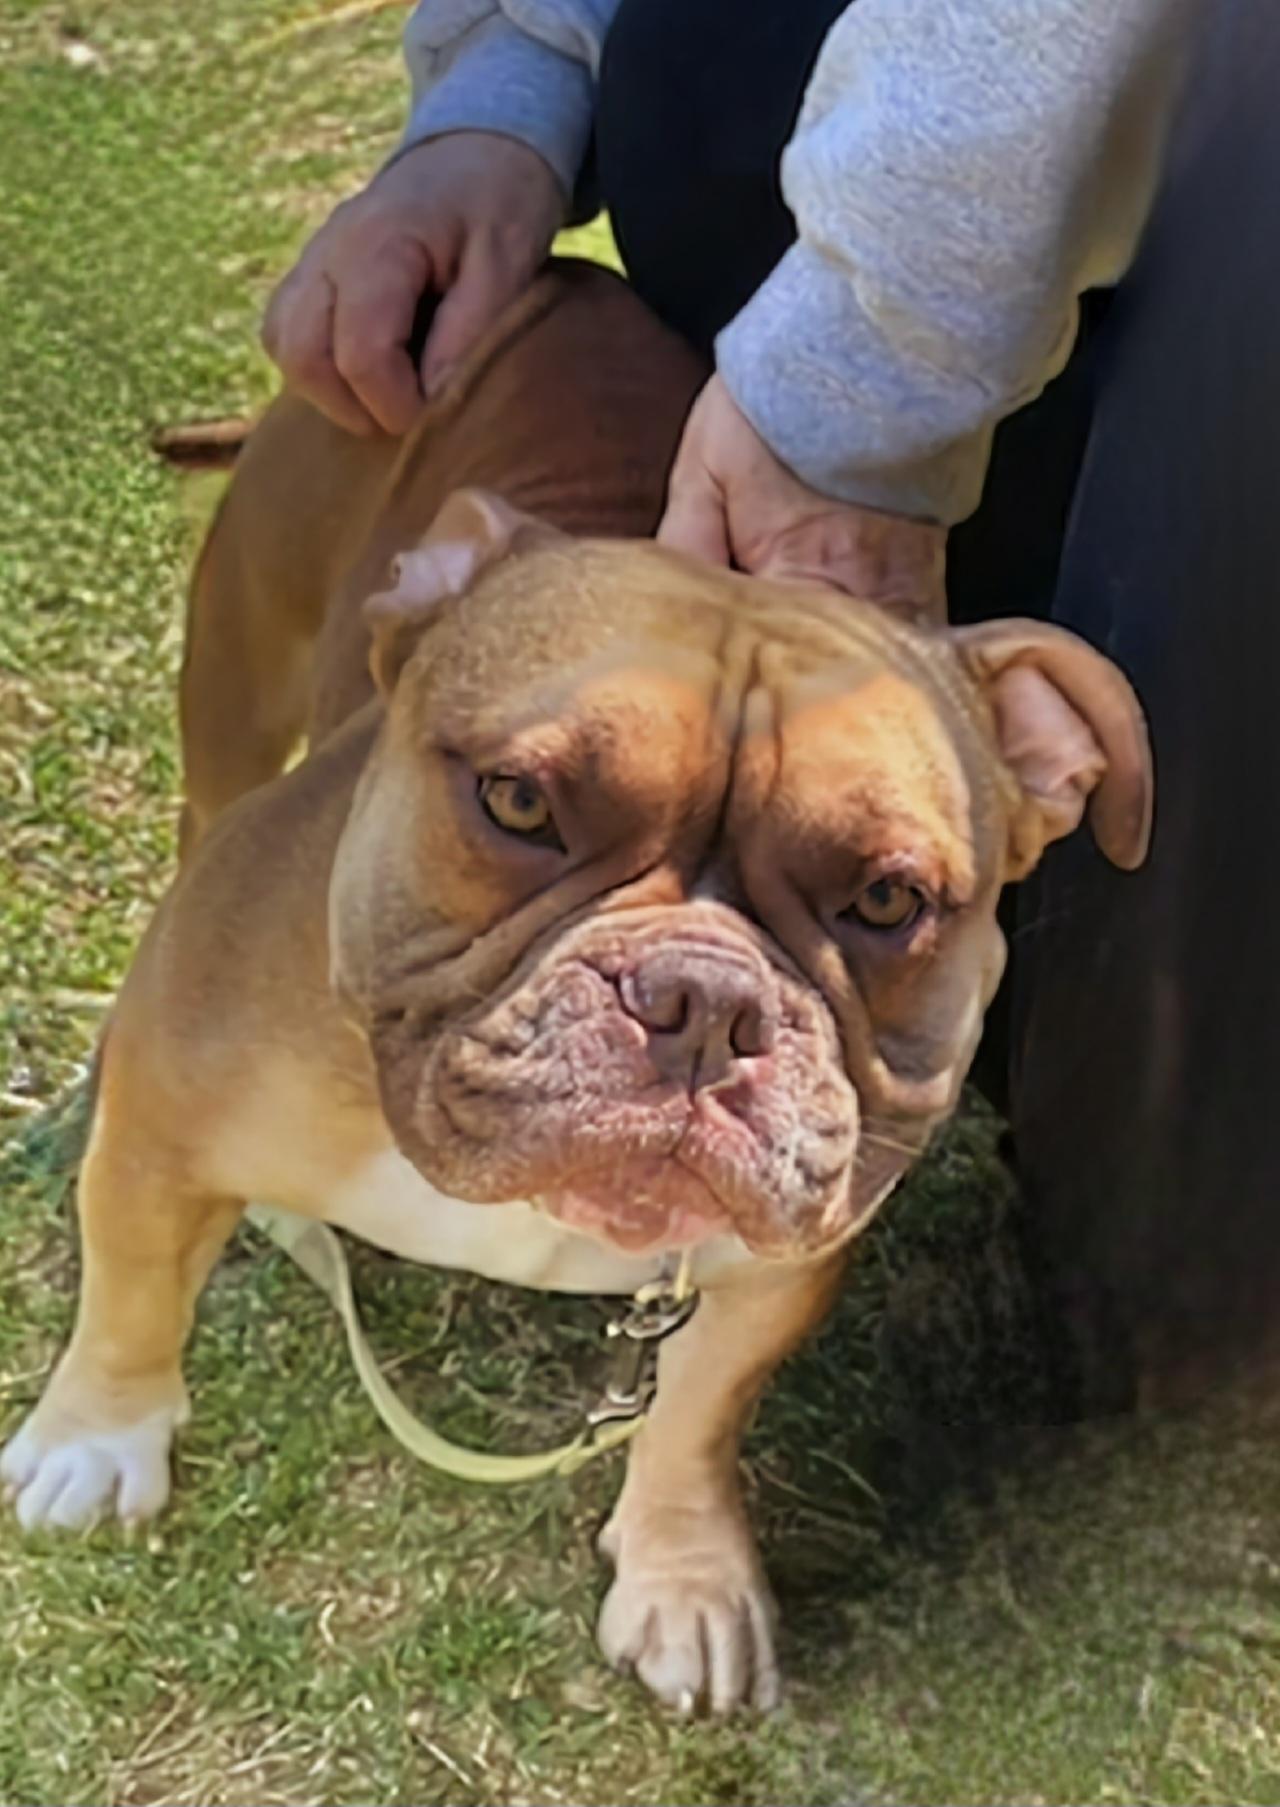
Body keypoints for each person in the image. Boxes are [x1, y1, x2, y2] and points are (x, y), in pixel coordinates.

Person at [263, 0, 1280, 1410]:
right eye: (525, 809)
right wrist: (511, 91)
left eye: (877, 897)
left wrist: (857, 376)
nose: (690, 1004)